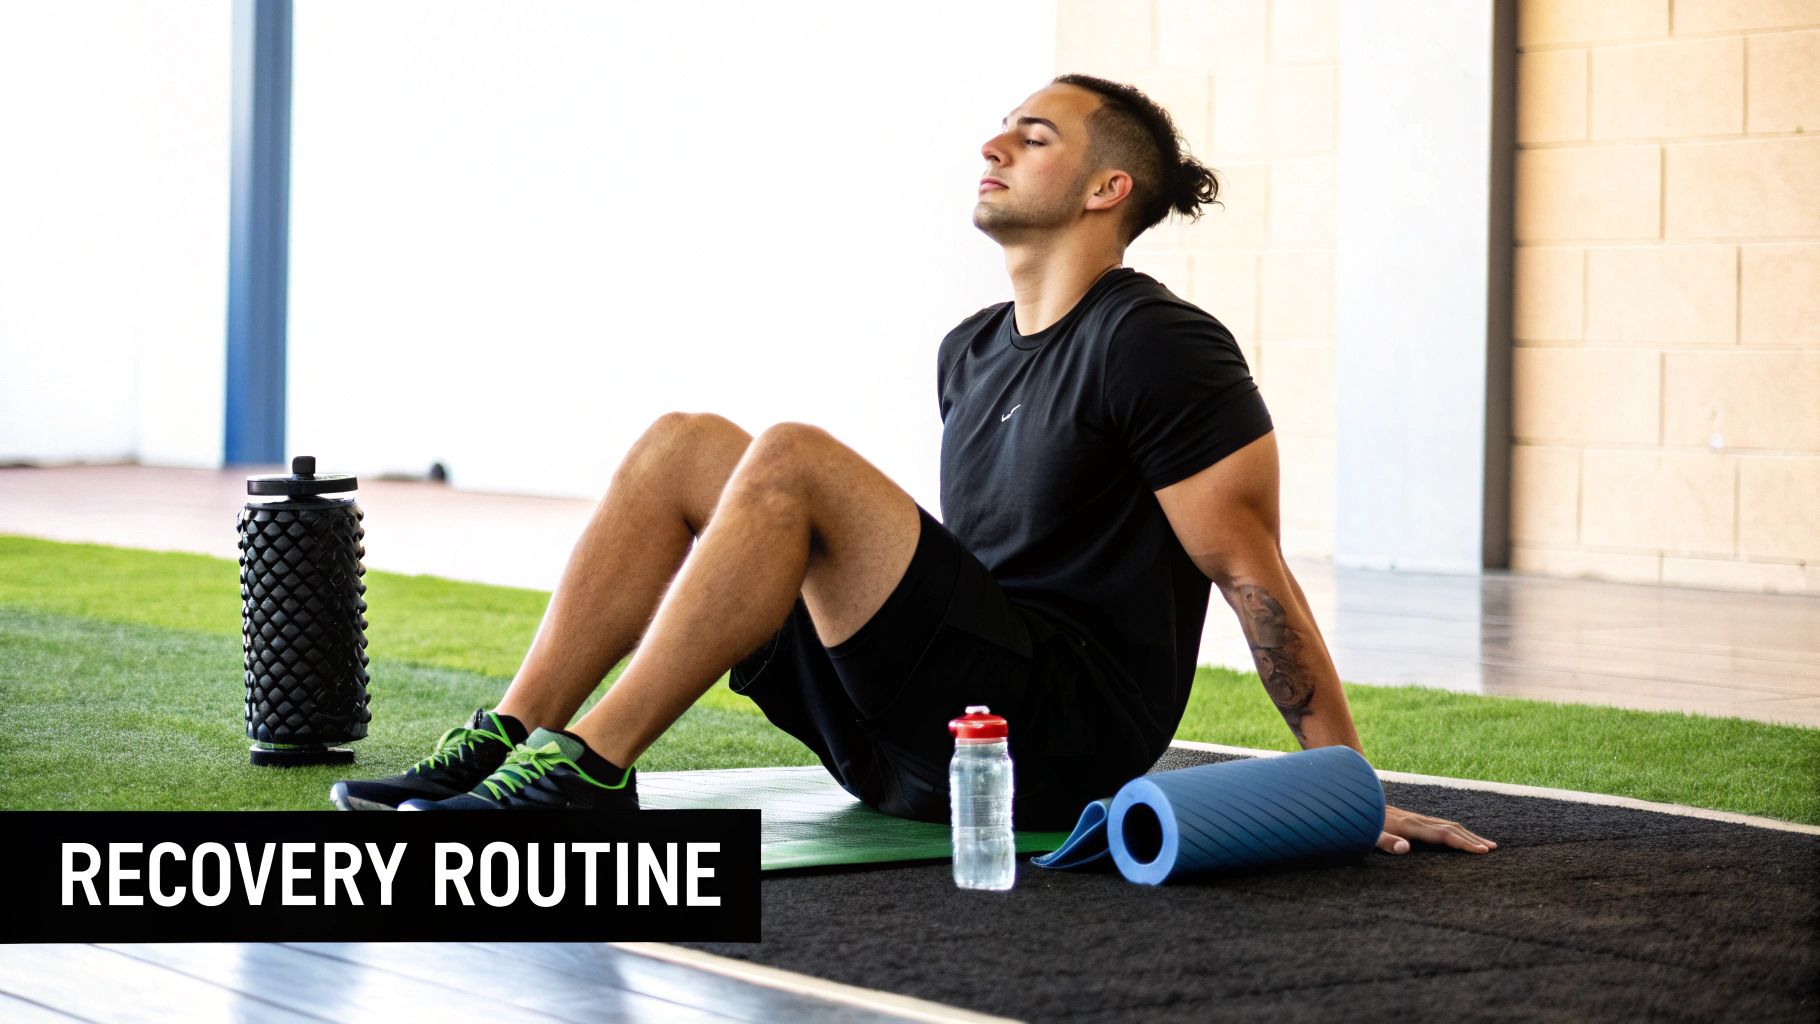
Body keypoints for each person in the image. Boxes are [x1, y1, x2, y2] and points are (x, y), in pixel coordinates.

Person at [331, 74, 1495, 857]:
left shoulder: (1159, 344)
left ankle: (584, 774)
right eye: (999, 129)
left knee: (789, 458)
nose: (992, 145)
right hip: (913, 738)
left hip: (1048, 738)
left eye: (1031, 137)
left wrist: (1332, 789)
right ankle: (515, 731)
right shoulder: (971, 350)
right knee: (687, 441)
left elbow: (1255, 575)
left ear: (1107, 190)